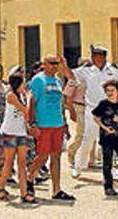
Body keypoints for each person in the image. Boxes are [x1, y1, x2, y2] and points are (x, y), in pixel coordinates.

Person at [66, 45, 118, 177]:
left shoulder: (113, 71)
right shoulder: (87, 71)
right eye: (93, 56)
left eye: (98, 56)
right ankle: (78, 167)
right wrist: (63, 65)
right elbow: (71, 75)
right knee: (88, 140)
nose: (95, 59)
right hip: (92, 111)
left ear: (103, 57)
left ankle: (111, 169)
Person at [26, 55, 75, 201]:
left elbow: (61, 103)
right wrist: (32, 123)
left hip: (57, 124)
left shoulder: (58, 81)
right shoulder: (38, 80)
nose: (54, 66)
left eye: (56, 63)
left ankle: (56, 189)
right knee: (42, 156)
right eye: (51, 63)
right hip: (43, 124)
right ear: (44, 64)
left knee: (56, 156)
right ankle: (30, 177)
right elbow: (32, 103)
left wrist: (65, 124)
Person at [0, 73, 33, 204]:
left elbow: (26, 116)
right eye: (23, 83)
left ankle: (24, 193)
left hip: (21, 132)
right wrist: (28, 99)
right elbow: (25, 110)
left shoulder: (21, 95)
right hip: (10, 132)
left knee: (22, 163)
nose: (25, 86)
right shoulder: (11, 96)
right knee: (9, 161)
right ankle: (0, 187)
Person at [64, 59, 97, 168]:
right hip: (78, 106)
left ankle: (90, 159)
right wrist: (71, 111)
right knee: (82, 133)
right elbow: (68, 96)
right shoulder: (74, 78)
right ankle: (72, 152)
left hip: (90, 107)